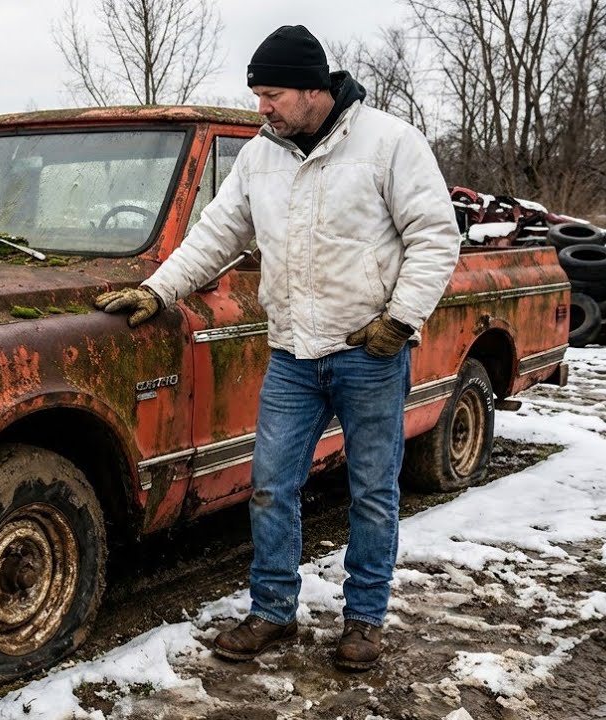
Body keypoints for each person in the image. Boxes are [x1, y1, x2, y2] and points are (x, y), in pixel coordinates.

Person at [95, 24, 460, 671]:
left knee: (373, 491)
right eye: (257, 94)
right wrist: (157, 291)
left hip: (369, 355)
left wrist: (400, 321)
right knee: (270, 488)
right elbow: (217, 234)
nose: (262, 107)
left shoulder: (388, 145)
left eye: (272, 94)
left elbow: (435, 236)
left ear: (315, 89)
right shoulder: (263, 157)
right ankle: (273, 612)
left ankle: (364, 621)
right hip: (293, 356)